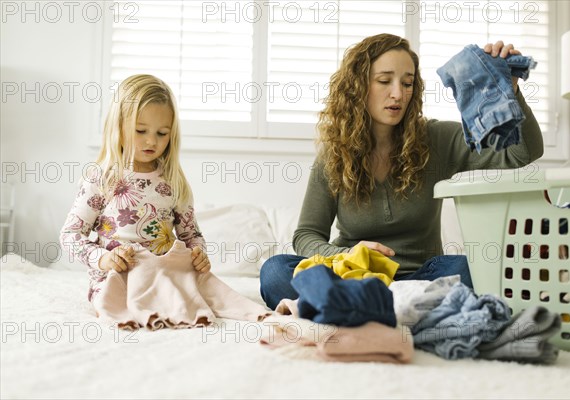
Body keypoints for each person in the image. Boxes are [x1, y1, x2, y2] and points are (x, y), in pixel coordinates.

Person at [259, 33, 544, 310]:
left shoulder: (438, 138)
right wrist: (347, 254)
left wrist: (511, 90)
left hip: (422, 276)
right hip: (354, 276)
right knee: (275, 271)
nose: (398, 93)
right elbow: (307, 235)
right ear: (358, 86)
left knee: (473, 270)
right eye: (384, 81)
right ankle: (398, 307)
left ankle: (363, 307)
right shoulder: (335, 154)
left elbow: (522, 153)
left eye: (407, 83)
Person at [60, 74, 211, 302]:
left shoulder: (172, 181)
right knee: (114, 301)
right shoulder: (101, 178)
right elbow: (70, 235)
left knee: (198, 298)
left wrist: (199, 254)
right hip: (114, 278)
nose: (152, 141)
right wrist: (102, 258)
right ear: (117, 126)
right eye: (141, 131)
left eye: (162, 133)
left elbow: (191, 235)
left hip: (162, 278)